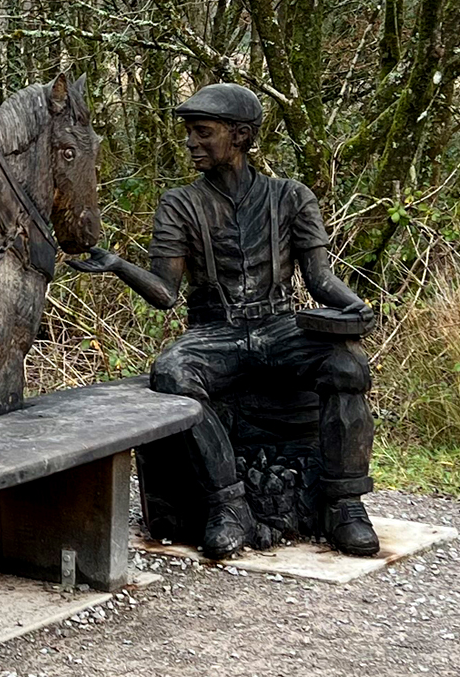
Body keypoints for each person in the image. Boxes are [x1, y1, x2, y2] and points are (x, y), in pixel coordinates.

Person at [69, 82, 379, 559]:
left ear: (240, 135)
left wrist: (353, 304)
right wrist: (115, 264)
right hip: (215, 333)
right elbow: (165, 294)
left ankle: (345, 505)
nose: (191, 143)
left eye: (203, 133)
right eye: (189, 133)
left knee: (348, 368)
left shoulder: (292, 198)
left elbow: (321, 279)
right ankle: (227, 503)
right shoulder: (180, 204)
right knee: (173, 375)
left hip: (280, 327)